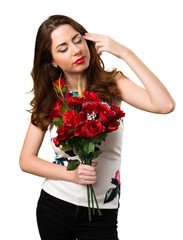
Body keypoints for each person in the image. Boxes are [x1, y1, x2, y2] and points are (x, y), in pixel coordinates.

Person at [19, 14, 175, 240]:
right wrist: (72, 175)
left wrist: (125, 53)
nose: (76, 50)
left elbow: (164, 105)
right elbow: (26, 160)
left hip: (102, 211)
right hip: (54, 206)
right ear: (52, 60)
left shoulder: (113, 85)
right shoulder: (52, 97)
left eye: (77, 40)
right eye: (63, 48)